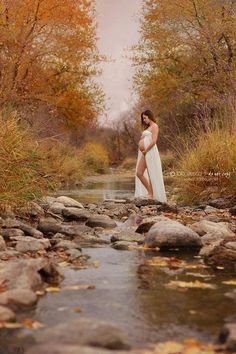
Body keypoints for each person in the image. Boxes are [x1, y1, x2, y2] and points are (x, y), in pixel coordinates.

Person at [135, 109, 167, 203]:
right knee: (139, 173)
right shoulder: (148, 128)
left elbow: (154, 141)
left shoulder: (155, 126)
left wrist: (146, 150)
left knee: (151, 172)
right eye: (143, 118)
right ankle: (150, 192)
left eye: (145, 118)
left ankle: (151, 193)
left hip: (150, 152)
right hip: (144, 153)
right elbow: (146, 138)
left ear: (149, 116)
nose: (144, 120)